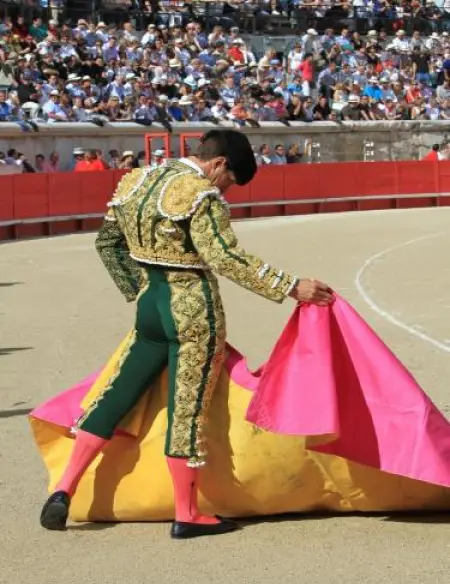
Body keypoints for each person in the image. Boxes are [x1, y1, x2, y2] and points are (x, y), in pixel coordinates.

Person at [39, 129, 333, 539]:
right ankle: (187, 513)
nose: (226, 191)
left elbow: (107, 244)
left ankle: (62, 490)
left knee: (115, 396)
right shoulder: (200, 194)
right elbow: (225, 258)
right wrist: (289, 285)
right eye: (229, 181)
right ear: (219, 164)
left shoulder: (135, 181)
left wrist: (139, 287)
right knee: (187, 410)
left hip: (150, 309)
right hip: (192, 310)